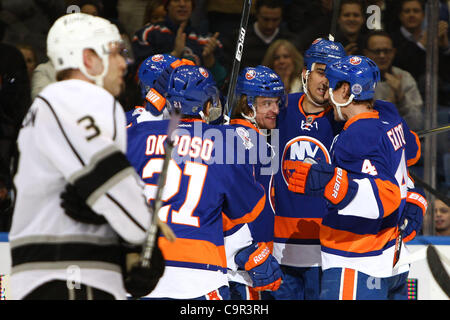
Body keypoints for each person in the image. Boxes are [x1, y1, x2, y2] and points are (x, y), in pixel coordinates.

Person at [8, 13, 174, 300]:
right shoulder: (72, 96)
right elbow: (107, 178)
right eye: (115, 53)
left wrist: (128, 252)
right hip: (68, 276)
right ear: (88, 59)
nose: (124, 63)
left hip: (62, 273)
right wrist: (143, 233)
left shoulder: (54, 105)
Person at [126, 64, 281, 299]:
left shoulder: (135, 134)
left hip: (141, 272)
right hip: (199, 278)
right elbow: (248, 210)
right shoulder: (223, 144)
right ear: (208, 104)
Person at [288, 55, 425, 300]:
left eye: (332, 86)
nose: (327, 95)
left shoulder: (356, 135)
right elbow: (411, 152)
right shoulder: (390, 115)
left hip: (356, 259)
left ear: (347, 90)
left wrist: (334, 185)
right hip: (393, 257)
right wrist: (416, 198)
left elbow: (385, 193)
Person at [270, 37, 347, 300]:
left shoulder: (347, 119)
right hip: (279, 247)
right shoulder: (278, 107)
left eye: (334, 75)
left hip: (327, 250)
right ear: (306, 73)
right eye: (322, 72)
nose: (326, 81)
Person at [227, 65, 285, 299]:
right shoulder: (244, 139)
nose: (275, 110)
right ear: (247, 105)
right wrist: (244, 250)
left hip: (253, 252)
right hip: (243, 258)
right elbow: (232, 201)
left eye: (277, 103)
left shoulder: (250, 137)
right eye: (267, 103)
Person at [132, 0, 226, 87]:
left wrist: (210, 61)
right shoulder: (148, 34)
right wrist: (174, 54)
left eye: (187, 0)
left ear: (192, 6)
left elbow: (222, 85)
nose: (182, 4)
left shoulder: (206, 40)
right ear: (167, 5)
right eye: (176, 0)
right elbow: (139, 77)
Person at [363, 30, 424, 131]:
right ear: (366, 53)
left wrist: (400, 97)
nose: (382, 56)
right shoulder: (357, 80)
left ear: (393, 52)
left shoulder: (404, 78)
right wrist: (390, 100)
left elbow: (416, 124)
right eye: (377, 51)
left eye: (386, 51)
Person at [223, 0, 298, 72]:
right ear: (257, 15)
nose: (270, 26)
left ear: (281, 18)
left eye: (275, 20)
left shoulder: (290, 40)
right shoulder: (238, 38)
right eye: (266, 19)